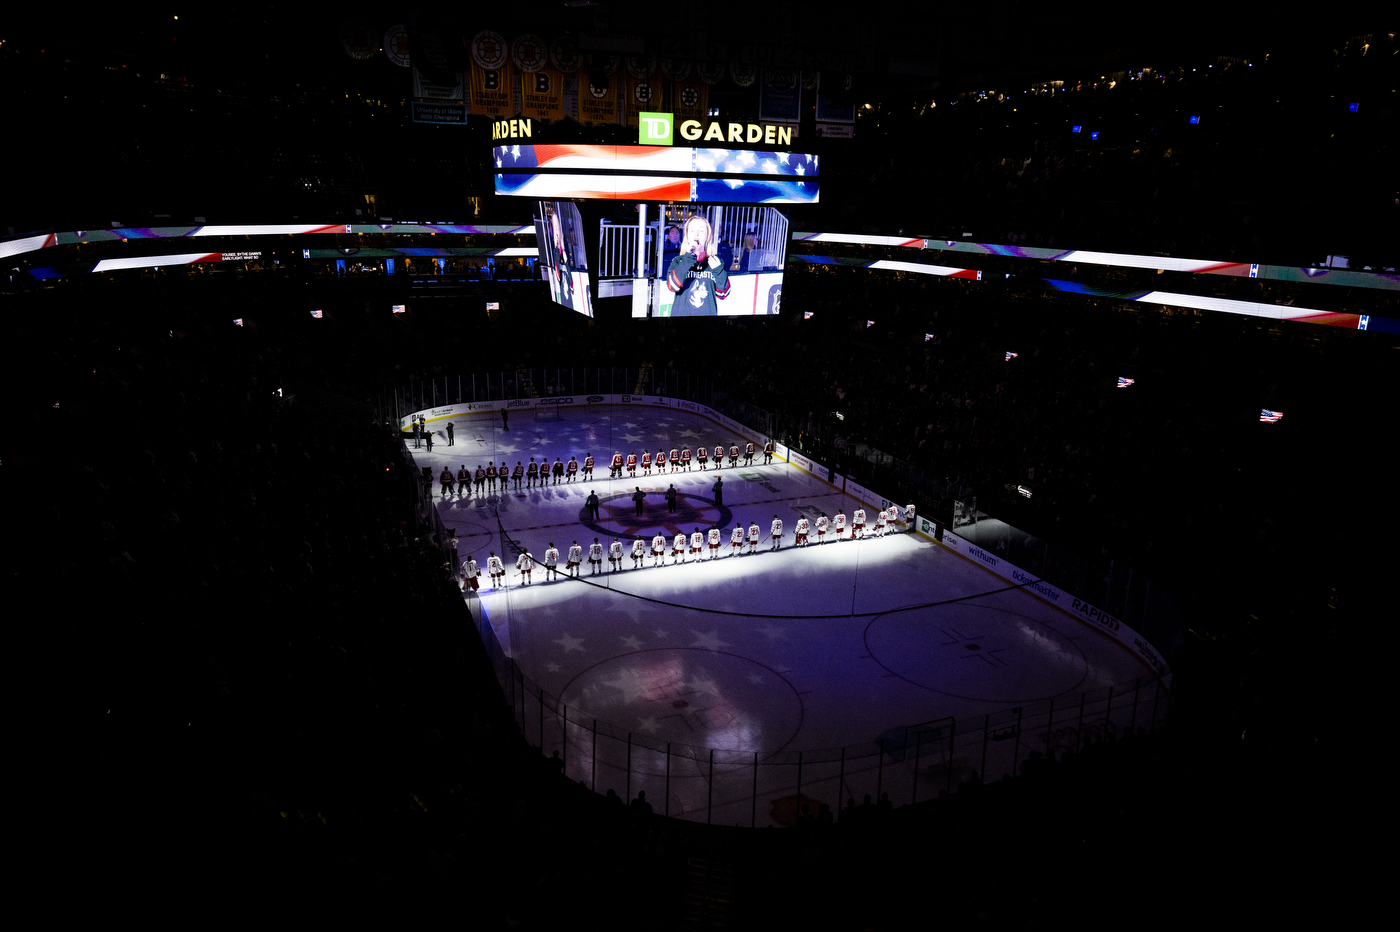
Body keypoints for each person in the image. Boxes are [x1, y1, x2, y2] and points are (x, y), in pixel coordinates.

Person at [665, 214, 731, 317]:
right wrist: (688, 257)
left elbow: (723, 294)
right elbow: (672, 286)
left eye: (701, 231)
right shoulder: (678, 261)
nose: (696, 234)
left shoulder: (716, 262)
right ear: (687, 236)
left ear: (707, 236)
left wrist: (718, 271)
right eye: (692, 230)